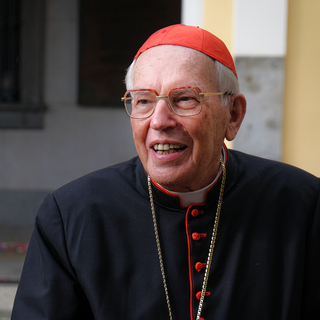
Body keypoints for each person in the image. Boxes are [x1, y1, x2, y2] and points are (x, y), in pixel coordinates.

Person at [12, 24, 320, 320]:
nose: (159, 121)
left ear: (234, 115)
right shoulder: (70, 215)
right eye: (143, 100)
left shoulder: (304, 206)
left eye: (185, 98)